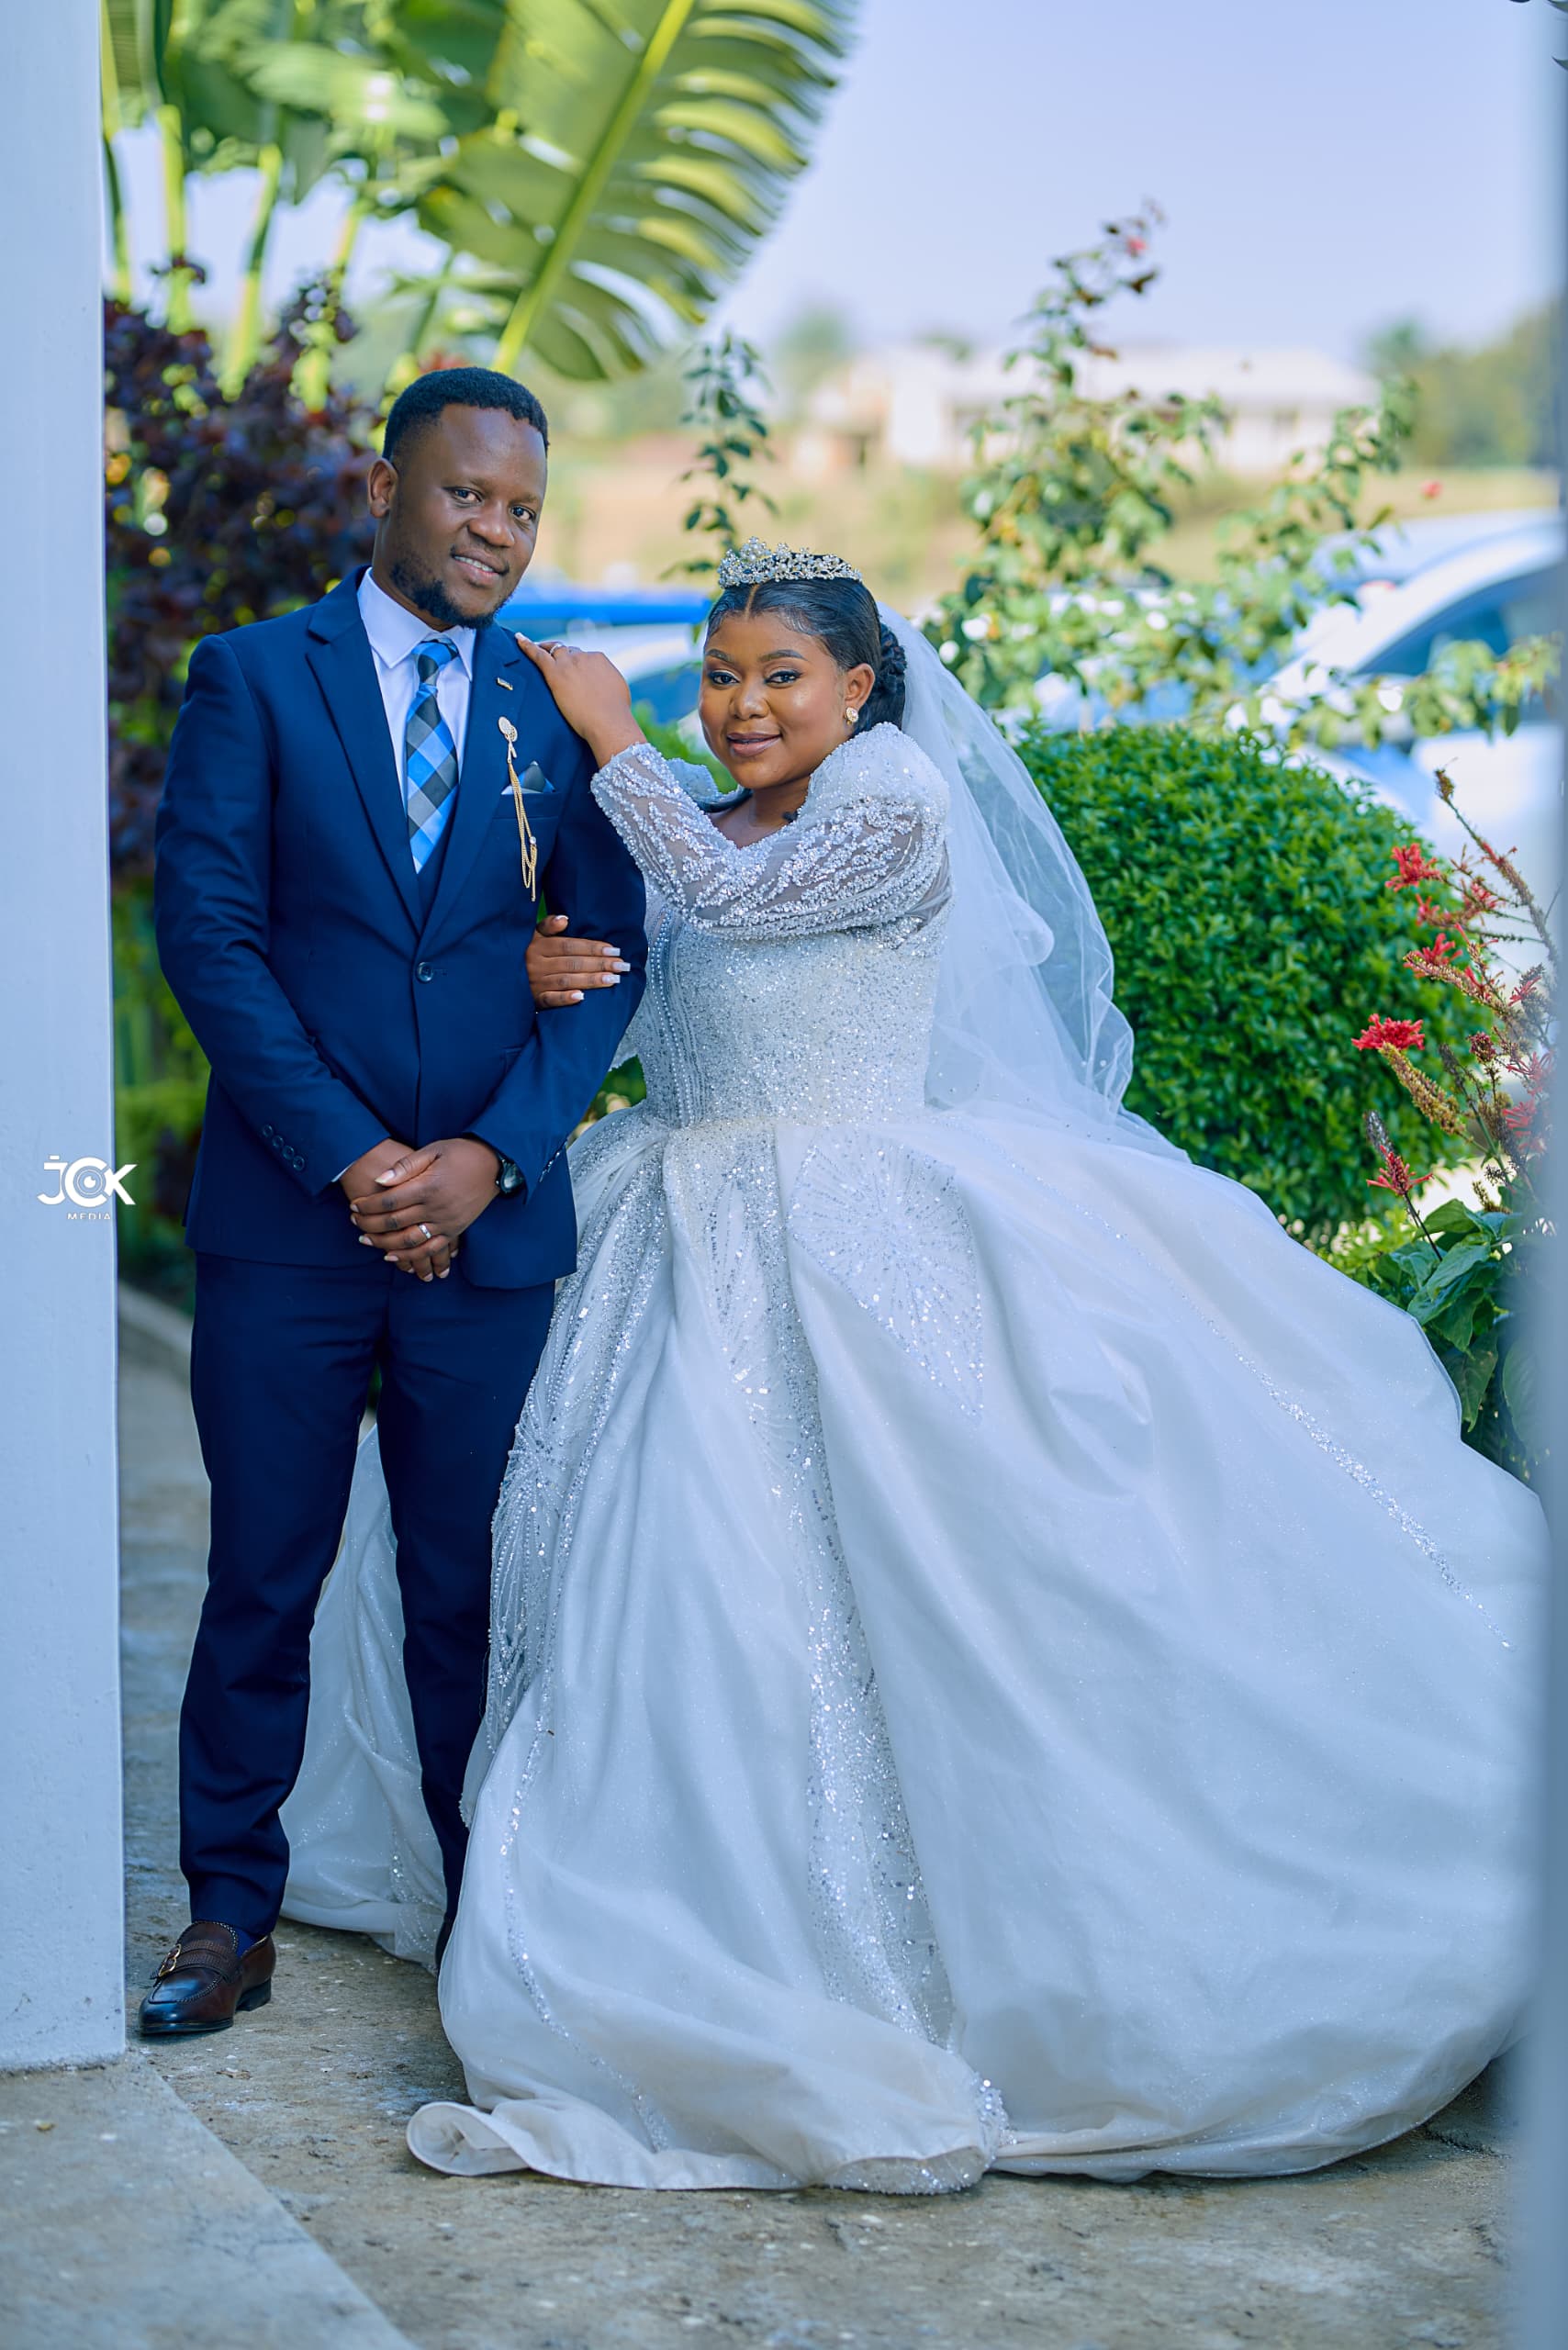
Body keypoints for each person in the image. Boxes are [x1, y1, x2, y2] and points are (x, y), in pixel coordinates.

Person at [281, 540, 1541, 2187]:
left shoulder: (892, 802)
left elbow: (739, 905)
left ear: (861, 688)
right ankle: (678, 1885)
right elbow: (658, 984)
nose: (740, 706)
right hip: (675, 1205)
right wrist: (549, 968)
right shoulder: (703, 820)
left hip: (856, 1214)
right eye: (717, 675)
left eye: (778, 675)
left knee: (937, 1567)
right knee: (669, 1573)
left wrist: (612, 735)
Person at [139, 370, 646, 2039]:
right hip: (292, 1224)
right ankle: (228, 1911)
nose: (496, 531)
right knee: (263, 1577)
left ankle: (487, 1916)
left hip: (488, 1235)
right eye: (466, 495)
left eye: (523, 509)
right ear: (384, 489)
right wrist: (356, 1159)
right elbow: (209, 937)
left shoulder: (553, 709)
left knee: (472, 1592)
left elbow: (611, 956)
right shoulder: (252, 679)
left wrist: (491, 1156)